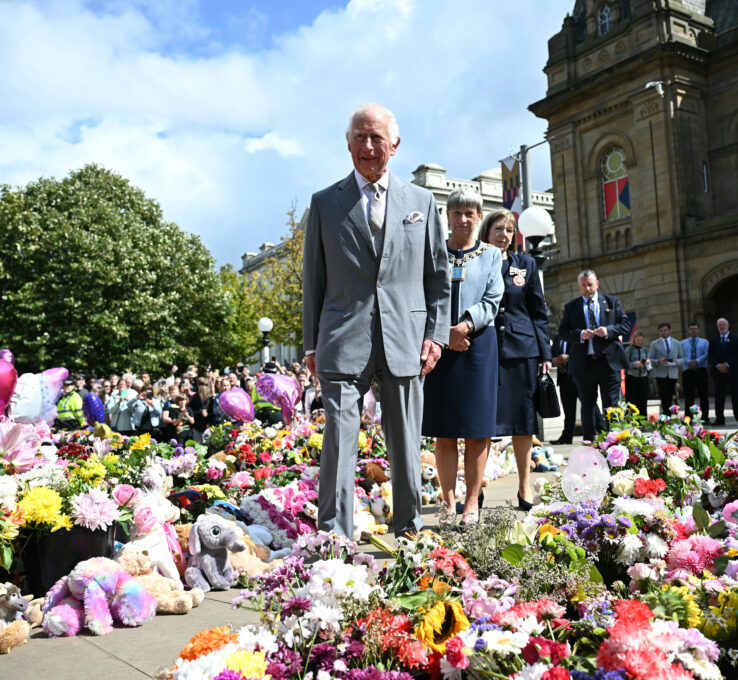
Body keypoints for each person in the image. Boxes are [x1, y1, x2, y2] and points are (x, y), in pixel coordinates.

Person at [302, 103, 450, 539]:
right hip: (342, 339)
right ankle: (335, 538)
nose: (368, 146)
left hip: (405, 337)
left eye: (377, 138)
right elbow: (315, 279)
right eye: (360, 138)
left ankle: (409, 531)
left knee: (406, 443)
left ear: (395, 145)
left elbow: (437, 276)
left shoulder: (421, 202)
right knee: (339, 443)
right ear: (348, 144)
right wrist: (311, 345)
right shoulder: (325, 203)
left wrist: (436, 336)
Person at [422, 187, 503, 528]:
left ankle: (472, 502)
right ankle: (448, 501)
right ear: (448, 217)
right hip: (439, 347)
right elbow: (424, 296)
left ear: (479, 216)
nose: (464, 219)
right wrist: (445, 333)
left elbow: (494, 297)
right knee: (444, 431)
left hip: (478, 346)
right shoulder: (434, 253)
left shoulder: (491, 255)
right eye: (457, 213)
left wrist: (465, 325)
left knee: (476, 430)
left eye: (470, 213)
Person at [480, 208, 551, 510]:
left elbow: (538, 310)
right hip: (485, 349)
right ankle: (476, 488)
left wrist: (545, 353)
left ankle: (524, 489)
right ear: (486, 231)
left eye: (509, 230)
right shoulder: (474, 261)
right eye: (498, 229)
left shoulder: (526, 264)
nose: (504, 235)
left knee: (523, 423)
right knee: (481, 423)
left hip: (523, 349)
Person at [558, 269, 630, 443]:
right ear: (579, 286)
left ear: (597, 284)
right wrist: (580, 334)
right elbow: (563, 332)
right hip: (584, 363)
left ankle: (614, 440)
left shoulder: (612, 302)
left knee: (611, 404)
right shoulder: (572, 307)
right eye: (583, 286)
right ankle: (589, 440)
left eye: (590, 285)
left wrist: (608, 331)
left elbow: (625, 324)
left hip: (608, 362)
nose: (587, 289)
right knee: (587, 404)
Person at [648, 323, 685, 414]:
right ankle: (666, 416)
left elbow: (683, 358)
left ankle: (672, 414)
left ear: (669, 331)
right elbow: (650, 359)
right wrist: (658, 361)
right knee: (665, 396)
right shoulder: (654, 344)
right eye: (661, 331)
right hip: (661, 374)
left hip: (673, 373)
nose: (663, 332)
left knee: (672, 396)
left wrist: (676, 361)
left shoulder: (677, 343)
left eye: (665, 330)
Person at [709, 317, 738, 426]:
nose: (721, 327)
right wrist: (718, 365)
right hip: (718, 373)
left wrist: (727, 364)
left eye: (723, 324)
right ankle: (719, 418)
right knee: (719, 396)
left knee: (736, 395)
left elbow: (736, 354)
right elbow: (710, 355)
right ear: (717, 327)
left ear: (728, 325)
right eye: (719, 325)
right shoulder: (713, 340)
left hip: (733, 372)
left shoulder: (735, 338)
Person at [550, 332, 577, 444]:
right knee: (568, 409)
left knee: (591, 407)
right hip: (564, 377)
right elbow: (551, 354)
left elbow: (584, 352)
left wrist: (568, 358)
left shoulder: (578, 334)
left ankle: (599, 432)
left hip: (578, 376)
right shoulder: (558, 337)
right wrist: (555, 360)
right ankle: (567, 437)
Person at [681, 321, 710, 422]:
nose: (693, 330)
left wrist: (697, 361)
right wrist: (689, 361)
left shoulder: (705, 342)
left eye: (695, 329)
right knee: (689, 395)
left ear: (698, 330)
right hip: (688, 371)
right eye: (691, 329)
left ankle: (705, 417)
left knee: (704, 395)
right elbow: (681, 355)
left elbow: (706, 354)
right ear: (689, 330)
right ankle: (688, 417)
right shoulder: (683, 343)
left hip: (701, 370)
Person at [625, 331, 650, 417]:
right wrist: (635, 364)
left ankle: (643, 420)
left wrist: (647, 363)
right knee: (631, 400)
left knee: (643, 400)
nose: (640, 342)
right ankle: (631, 420)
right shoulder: (629, 350)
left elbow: (649, 364)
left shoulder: (645, 350)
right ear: (634, 339)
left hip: (643, 377)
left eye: (641, 340)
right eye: (638, 340)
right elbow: (625, 363)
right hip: (632, 377)